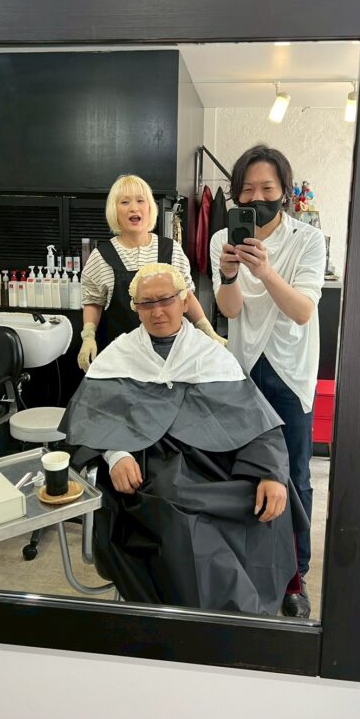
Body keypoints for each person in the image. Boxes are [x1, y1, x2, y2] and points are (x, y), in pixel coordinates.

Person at [60, 263, 308, 616]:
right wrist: (116, 455)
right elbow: (91, 419)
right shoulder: (118, 356)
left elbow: (256, 420)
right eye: (147, 303)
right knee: (178, 515)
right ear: (135, 308)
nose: (157, 311)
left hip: (215, 462)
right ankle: (232, 622)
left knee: (269, 495)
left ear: (183, 301)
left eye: (165, 300)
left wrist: (270, 472)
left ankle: (258, 607)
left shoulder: (210, 355)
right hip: (152, 466)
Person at [210, 145, 326, 619]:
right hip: (243, 368)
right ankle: (251, 565)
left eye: (267, 189)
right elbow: (230, 310)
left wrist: (264, 269)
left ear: (285, 192)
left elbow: (302, 310)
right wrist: (229, 274)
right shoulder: (224, 238)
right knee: (244, 472)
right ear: (236, 195)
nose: (257, 198)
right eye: (247, 190)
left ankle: (295, 577)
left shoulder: (308, 239)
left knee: (294, 476)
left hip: (289, 371)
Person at [77, 174, 224, 371]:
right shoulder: (101, 257)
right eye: (125, 202)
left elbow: (186, 295)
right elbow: (93, 301)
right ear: (114, 210)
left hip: (169, 356)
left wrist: (207, 330)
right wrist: (88, 337)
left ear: (149, 208)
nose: (134, 208)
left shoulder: (171, 250)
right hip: (122, 357)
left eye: (140, 200)